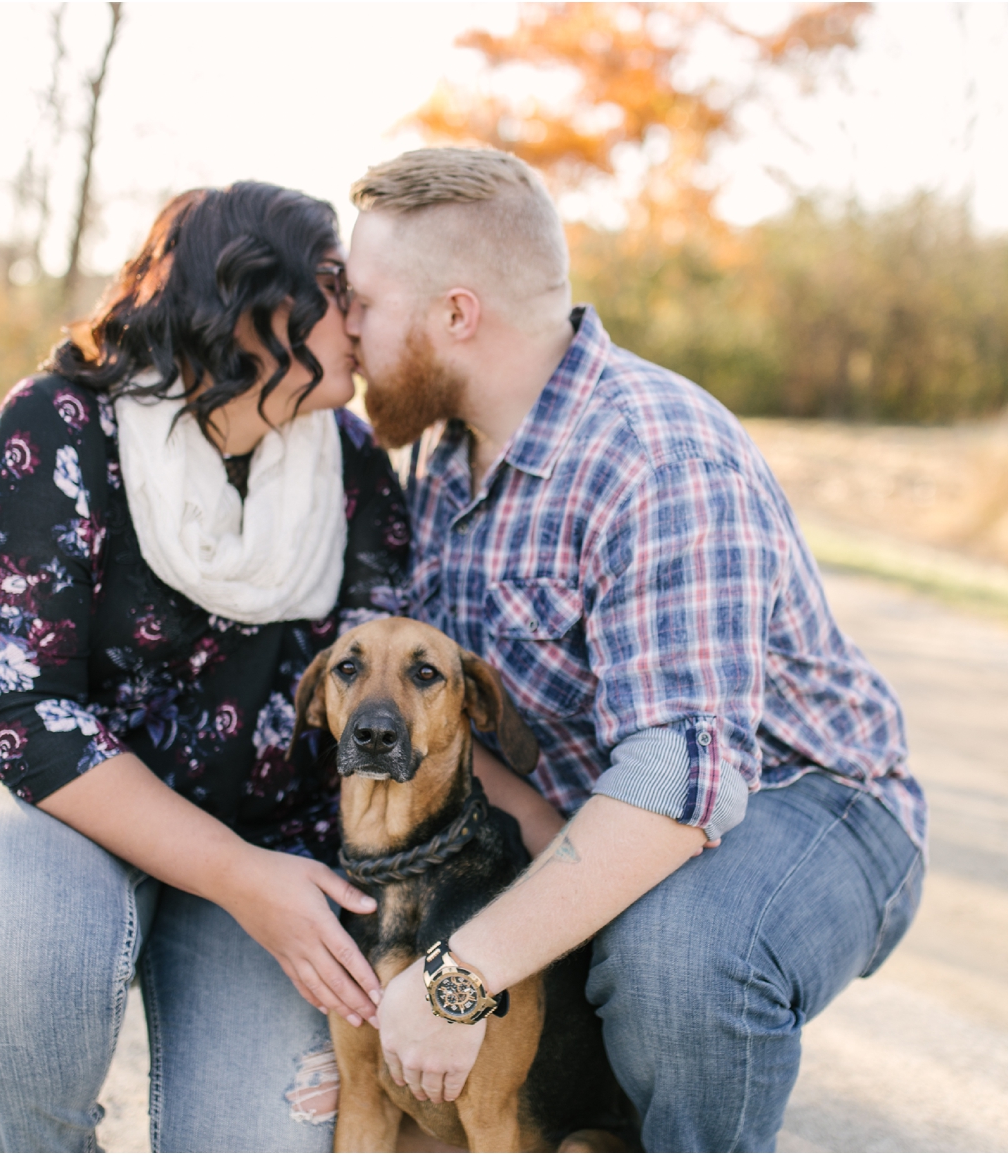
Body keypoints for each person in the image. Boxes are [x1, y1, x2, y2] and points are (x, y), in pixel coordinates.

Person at [335, 147, 926, 1151]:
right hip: (607, 811)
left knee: (675, 959)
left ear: (456, 315)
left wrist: (455, 973)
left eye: (363, 302)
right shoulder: (444, 456)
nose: (345, 329)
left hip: (809, 806)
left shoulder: (657, 455)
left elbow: (684, 786)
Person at [0, 182, 412, 1152]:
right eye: (333, 286)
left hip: (271, 848)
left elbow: (379, 697)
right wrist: (236, 875)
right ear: (255, 302)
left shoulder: (354, 464)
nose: (360, 313)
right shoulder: (62, 427)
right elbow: (16, 705)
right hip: (54, 823)